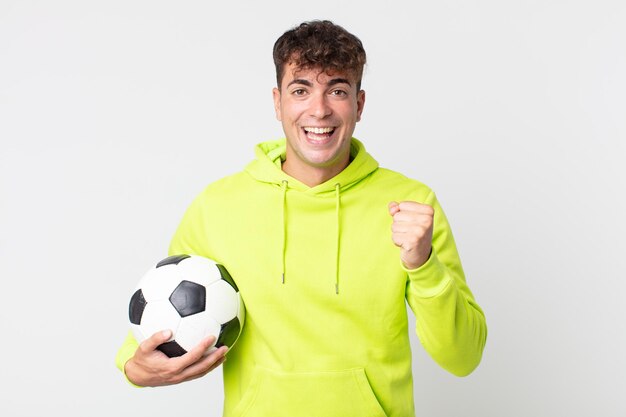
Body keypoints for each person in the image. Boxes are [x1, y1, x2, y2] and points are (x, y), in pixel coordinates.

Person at [116, 20, 487, 417]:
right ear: (277, 102)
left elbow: (462, 357)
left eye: (337, 91)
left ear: (359, 105)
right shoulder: (218, 206)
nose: (320, 109)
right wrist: (134, 368)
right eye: (301, 90)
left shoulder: (412, 205)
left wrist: (424, 264)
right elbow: (157, 319)